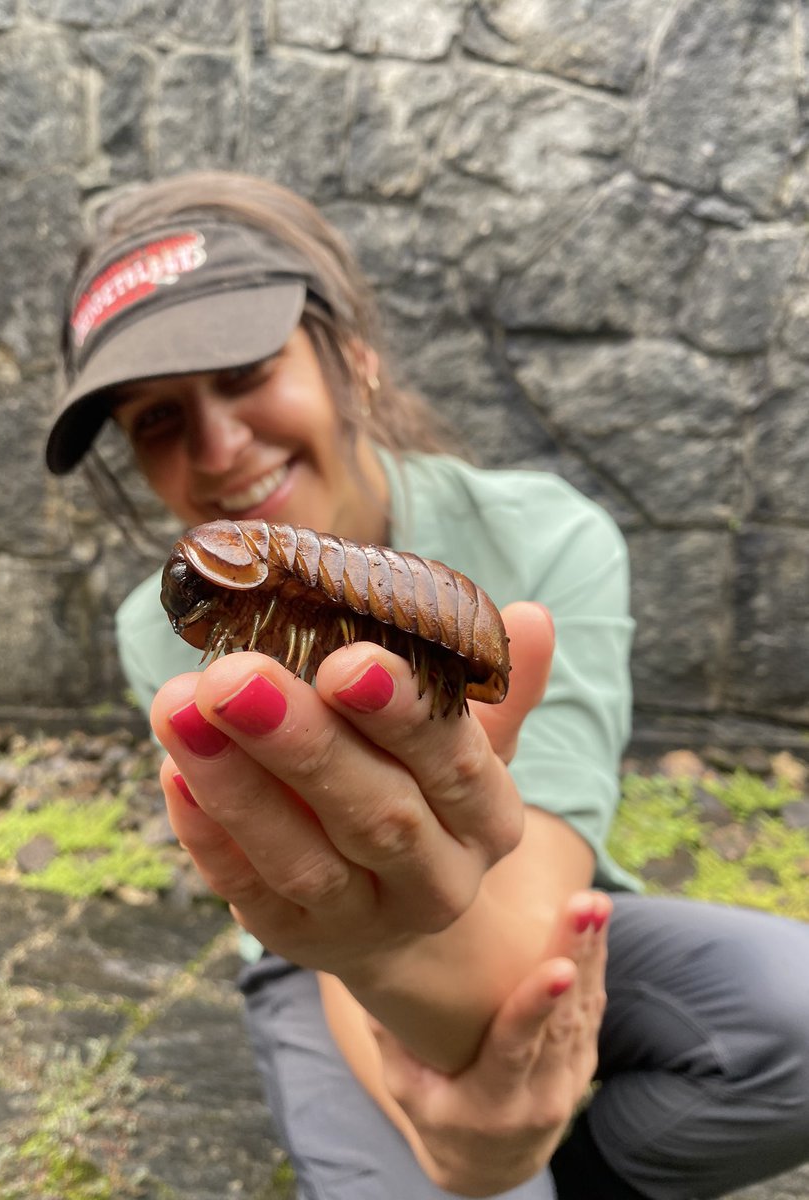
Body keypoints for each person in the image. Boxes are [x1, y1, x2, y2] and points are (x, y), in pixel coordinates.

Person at [45, 170, 809, 1200]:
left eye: (247, 370)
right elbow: (327, 922)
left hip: (553, 907)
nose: (219, 448)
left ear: (353, 358)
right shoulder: (161, 626)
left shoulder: (546, 536)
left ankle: (580, 1169)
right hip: (326, 953)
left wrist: (499, 1149)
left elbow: (539, 892)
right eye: (155, 421)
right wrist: (452, 1132)